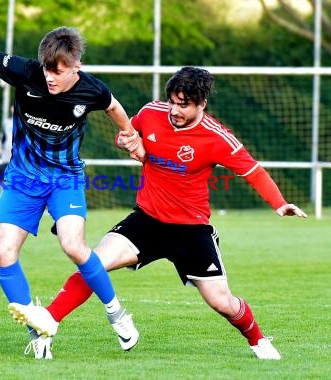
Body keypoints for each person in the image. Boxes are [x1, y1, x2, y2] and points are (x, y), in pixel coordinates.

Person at [33, 66, 307, 360]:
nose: (174, 110)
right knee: (93, 265)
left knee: (222, 302)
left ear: (201, 103)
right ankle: (46, 324)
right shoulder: (152, 112)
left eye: (183, 105)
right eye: (173, 102)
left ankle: (258, 340)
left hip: (191, 230)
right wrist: (124, 141)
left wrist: (279, 204)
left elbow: (254, 171)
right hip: (147, 220)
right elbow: (129, 133)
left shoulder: (217, 137)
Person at [0, 26, 145, 359]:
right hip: (22, 179)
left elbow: (114, 107)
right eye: (46, 68)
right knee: (4, 252)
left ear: (76, 66)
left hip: (65, 178)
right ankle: (39, 330)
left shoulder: (92, 90)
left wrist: (130, 135)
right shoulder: (27, 72)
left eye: (58, 71)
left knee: (74, 246)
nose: (49, 76)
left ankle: (117, 314)